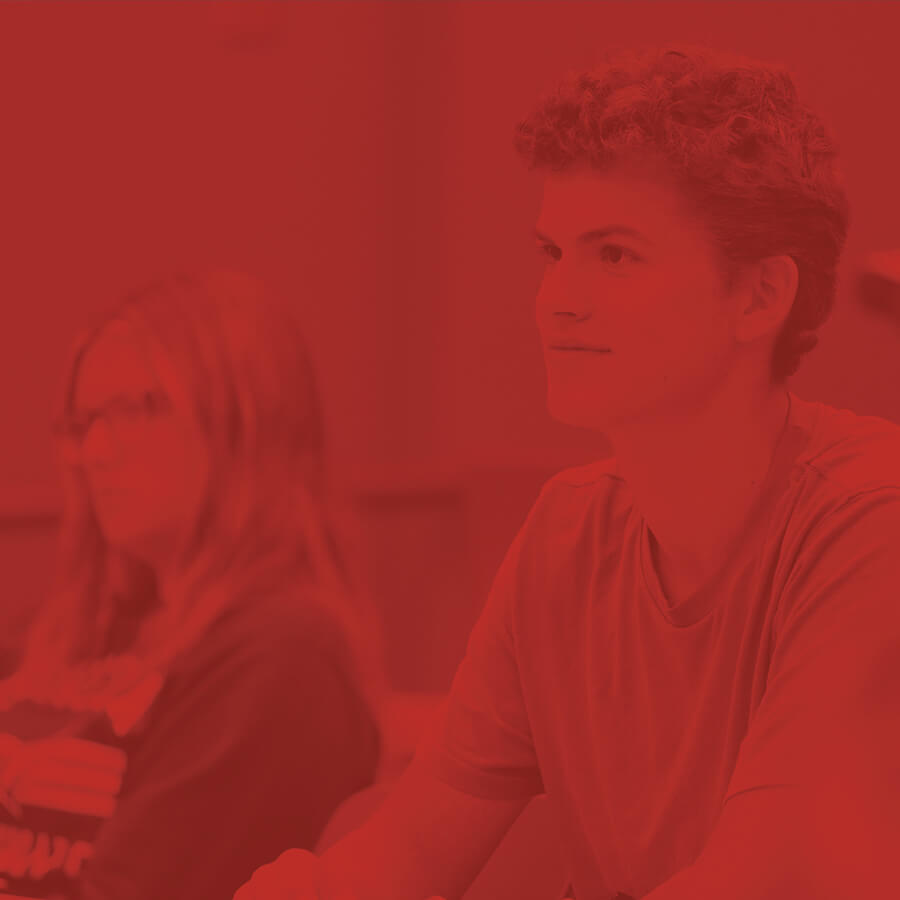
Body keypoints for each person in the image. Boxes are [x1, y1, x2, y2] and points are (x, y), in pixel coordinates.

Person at [235, 44, 900, 900]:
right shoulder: (567, 530)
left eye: (615, 255)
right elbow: (407, 855)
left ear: (760, 296)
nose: (558, 298)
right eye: (553, 252)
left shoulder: (869, 523)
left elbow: (755, 882)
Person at [0, 270, 383, 899]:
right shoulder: (76, 629)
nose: (94, 450)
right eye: (84, 419)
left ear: (244, 418)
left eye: (135, 409)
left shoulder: (283, 658)